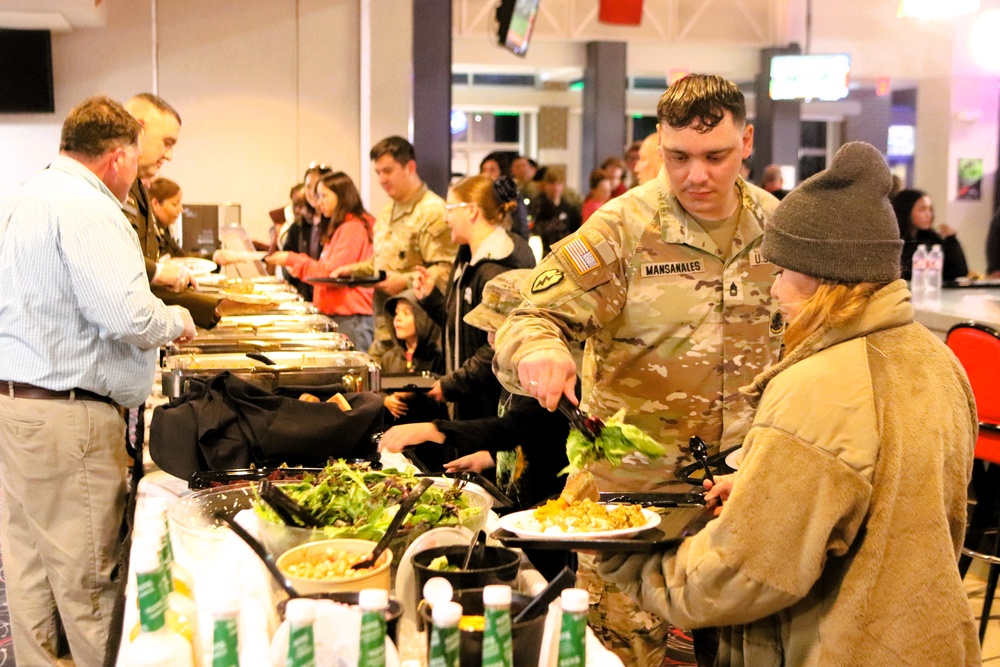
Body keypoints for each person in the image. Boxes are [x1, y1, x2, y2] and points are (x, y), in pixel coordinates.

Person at [597, 141, 980, 666]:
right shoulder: (938, 361)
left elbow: (746, 573)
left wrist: (623, 556)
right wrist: (765, 478)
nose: (773, 289)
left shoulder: (820, 385)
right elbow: (890, 494)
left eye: (781, 271)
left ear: (821, 276)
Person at [492, 73, 782, 667]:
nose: (695, 175)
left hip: (745, 505)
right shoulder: (622, 230)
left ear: (747, 142)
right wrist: (540, 350)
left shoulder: (780, 230)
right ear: (658, 143)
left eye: (715, 156)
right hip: (635, 515)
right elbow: (528, 319)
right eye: (678, 157)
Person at [0, 96, 195, 667]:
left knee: (30, 567)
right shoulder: (89, 206)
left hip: (18, 405)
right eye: (138, 158)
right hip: (68, 417)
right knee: (89, 582)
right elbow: (129, 315)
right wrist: (176, 320)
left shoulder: (25, 195)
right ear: (116, 157)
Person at [379, 269, 570, 512]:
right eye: (487, 330)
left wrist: (434, 429)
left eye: (496, 329)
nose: (490, 339)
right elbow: (525, 438)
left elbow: (511, 428)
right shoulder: (511, 370)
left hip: (546, 511)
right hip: (516, 500)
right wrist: (488, 457)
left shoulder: (549, 374)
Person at [412, 175, 536, 422]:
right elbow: (465, 327)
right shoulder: (468, 259)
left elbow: (498, 345)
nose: (445, 218)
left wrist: (454, 384)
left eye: (449, 208)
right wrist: (432, 298)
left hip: (490, 407)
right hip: (471, 402)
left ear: (471, 211)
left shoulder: (498, 269)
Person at [331, 136, 458, 361]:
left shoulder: (432, 211)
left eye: (388, 171)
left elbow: (447, 270)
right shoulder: (387, 211)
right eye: (378, 172)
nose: (382, 179)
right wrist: (355, 271)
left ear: (410, 167)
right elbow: (382, 262)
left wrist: (404, 281)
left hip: (416, 337)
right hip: (384, 326)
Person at [123, 93, 234, 329]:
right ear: (139, 128)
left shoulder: (137, 186)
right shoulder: (112, 188)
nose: (169, 156)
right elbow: (123, 272)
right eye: (167, 142)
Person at [267, 171, 375, 350]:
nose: (318, 202)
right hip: (341, 316)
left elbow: (331, 273)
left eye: (324, 196)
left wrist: (293, 260)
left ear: (341, 196)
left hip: (350, 318)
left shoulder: (352, 228)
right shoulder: (342, 226)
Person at [379, 291, 447, 425]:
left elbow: (443, 401)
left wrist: (414, 394)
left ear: (423, 318)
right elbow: (376, 390)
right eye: (397, 313)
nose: (398, 318)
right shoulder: (389, 357)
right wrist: (386, 400)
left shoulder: (438, 357)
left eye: (406, 313)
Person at [893, 188, 970, 282]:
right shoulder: (893, 242)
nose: (929, 215)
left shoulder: (934, 240)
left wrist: (952, 241)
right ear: (906, 211)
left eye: (930, 209)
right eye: (922, 210)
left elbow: (960, 274)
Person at [529, 167, 582, 256]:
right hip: (543, 253)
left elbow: (576, 231)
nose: (556, 188)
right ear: (545, 185)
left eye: (559, 184)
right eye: (552, 184)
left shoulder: (569, 208)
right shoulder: (538, 205)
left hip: (565, 253)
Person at [480, 151, 530, 239]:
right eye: (484, 170)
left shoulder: (512, 197)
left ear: (502, 172)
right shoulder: (479, 197)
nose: (487, 174)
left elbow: (522, 230)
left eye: (492, 170)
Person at [148, 176, 186, 259]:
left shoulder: (165, 229)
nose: (181, 209)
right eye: (174, 204)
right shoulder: (149, 232)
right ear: (155, 203)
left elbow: (181, 257)